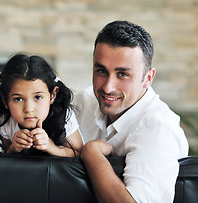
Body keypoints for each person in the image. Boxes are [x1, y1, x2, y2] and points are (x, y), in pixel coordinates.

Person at [74, 20, 189, 202]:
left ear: (148, 78)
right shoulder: (84, 101)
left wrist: (92, 154)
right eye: (101, 71)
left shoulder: (160, 129)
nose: (108, 87)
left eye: (123, 74)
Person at [0, 53, 83, 157]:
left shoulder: (64, 116)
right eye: (18, 99)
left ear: (53, 95)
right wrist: (13, 148)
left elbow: (79, 153)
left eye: (37, 97)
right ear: (5, 101)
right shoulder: (6, 121)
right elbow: (4, 159)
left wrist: (51, 147)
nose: (28, 109)